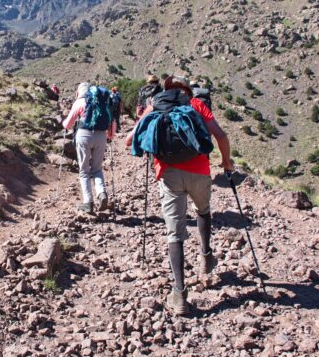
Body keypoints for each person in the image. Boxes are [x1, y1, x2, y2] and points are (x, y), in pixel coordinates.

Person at [126, 76, 233, 316]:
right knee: (203, 211)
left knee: (175, 234)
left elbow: (129, 139)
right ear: (187, 90)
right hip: (200, 171)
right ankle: (206, 257)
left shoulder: (155, 105)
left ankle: (180, 295)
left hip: (168, 174)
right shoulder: (196, 104)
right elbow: (222, 136)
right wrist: (226, 162)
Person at [63, 82, 115, 213]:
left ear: (79, 92)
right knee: (97, 169)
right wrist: (110, 136)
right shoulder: (102, 101)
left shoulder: (80, 102)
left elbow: (68, 124)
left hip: (84, 135)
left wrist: (63, 123)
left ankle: (88, 202)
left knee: (84, 170)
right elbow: (112, 121)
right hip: (101, 136)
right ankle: (101, 193)